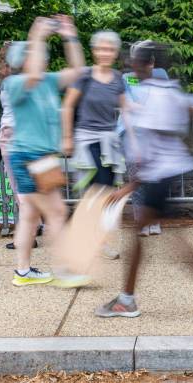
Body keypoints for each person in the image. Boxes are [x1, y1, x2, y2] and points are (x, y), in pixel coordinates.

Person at [95, 42, 193, 323]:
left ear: (148, 64)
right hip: (166, 174)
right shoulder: (170, 90)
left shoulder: (155, 95)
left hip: (159, 177)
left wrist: (129, 187)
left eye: (135, 62)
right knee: (150, 238)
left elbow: (152, 151)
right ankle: (127, 299)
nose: (131, 66)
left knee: (174, 243)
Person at [4, 15, 88, 287]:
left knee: (30, 215)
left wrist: (70, 35)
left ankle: (23, 272)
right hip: (28, 158)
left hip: (42, 158)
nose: (43, 60)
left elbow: (78, 70)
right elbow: (34, 74)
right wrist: (37, 36)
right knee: (57, 213)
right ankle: (64, 270)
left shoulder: (49, 81)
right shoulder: (15, 84)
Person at [61, 30, 129, 260]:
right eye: (101, 48)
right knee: (94, 191)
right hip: (87, 140)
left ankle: (98, 240)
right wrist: (67, 137)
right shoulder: (84, 76)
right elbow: (68, 105)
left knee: (108, 193)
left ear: (115, 53)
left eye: (110, 49)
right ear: (94, 51)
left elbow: (126, 109)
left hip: (109, 142)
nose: (105, 53)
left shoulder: (118, 78)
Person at [119, 40, 169, 238]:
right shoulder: (127, 78)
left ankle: (154, 219)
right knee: (137, 179)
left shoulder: (161, 75)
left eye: (149, 61)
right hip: (133, 133)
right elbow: (127, 109)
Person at [0, 42, 41, 250]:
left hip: (14, 136)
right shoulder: (30, 80)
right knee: (29, 187)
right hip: (27, 136)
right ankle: (32, 227)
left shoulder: (10, 83)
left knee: (21, 189)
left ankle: (27, 235)